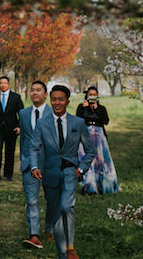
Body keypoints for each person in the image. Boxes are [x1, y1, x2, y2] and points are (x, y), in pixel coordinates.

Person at [29, 85, 96, 259]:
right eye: (54, 99)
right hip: (49, 173)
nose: (57, 103)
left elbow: (90, 150)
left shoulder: (78, 123)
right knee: (56, 210)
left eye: (60, 99)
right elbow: (35, 147)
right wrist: (35, 167)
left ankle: (71, 246)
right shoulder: (42, 123)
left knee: (67, 207)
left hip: (70, 172)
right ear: (50, 100)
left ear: (67, 101)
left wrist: (81, 169)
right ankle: (62, 252)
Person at [18, 80, 54, 249]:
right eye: (32, 90)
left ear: (45, 94)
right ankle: (34, 235)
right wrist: (24, 160)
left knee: (51, 199)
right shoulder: (23, 114)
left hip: (49, 164)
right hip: (28, 165)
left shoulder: (53, 112)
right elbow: (24, 139)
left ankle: (50, 230)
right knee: (32, 201)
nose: (34, 93)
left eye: (38, 90)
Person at [75, 87, 119, 194]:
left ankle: (104, 183)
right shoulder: (81, 107)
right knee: (87, 159)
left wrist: (96, 109)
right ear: (87, 96)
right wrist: (85, 108)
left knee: (101, 159)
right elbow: (78, 120)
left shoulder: (101, 108)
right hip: (85, 135)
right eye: (90, 94)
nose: (92, 96)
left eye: (94, 94)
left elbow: (105, 121)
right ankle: (89, 184)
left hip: (99, 136)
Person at [0, 75, 23, 181]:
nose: (3, 85)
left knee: (9, 152)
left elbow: (21, 113)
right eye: (1, 83)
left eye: (5, 83)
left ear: (8, 84)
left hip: (12, 129)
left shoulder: (16, 97)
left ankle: (8, 174)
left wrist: (20, 126)